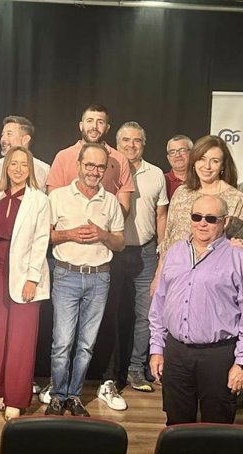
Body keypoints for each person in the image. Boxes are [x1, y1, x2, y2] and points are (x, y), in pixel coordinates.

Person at [149, 195, 243, 425]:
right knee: (176, 424)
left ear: (224, 221)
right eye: (197, 216)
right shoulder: (174, 253)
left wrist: (242, 364)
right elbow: (159, 304)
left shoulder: (239, 258)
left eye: (211, 218)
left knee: (217, 426)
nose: (202, 223)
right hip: (176, 352)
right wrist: (156, 348)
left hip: (219, 356)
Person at [0, 115, 49, 395]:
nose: (17, 169)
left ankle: (17, 396)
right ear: (6, 167)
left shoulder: (39, 200)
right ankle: (3, 391)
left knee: (21, 337)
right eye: (13, 164)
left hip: (24, 272)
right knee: (0, 333)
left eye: (23, 164)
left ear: (30, 168)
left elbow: (41, 241)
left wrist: (32, 279)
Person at [45, 143, 125, 417]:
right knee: (62, 342)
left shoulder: (111, 201)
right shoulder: (57, 197)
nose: (94, 171)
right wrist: (69, 234)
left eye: (100, 166)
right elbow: (46, 235)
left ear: (106, 169)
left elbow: (120, 243)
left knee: (86, 343)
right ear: (78, 164)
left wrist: (103, 235)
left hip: (99, 277)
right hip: (66, 274)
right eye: (89, 165)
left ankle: (74, 395)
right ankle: (57, 395)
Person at [97, 122, 168, 411]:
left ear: (144, 143)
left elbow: (161, 214)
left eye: (137, 140)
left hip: (145, 251)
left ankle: (136, 369)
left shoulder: (156, 175)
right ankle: (109, 375)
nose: (131, 145)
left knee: (145, 315)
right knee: (110, 313)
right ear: (117, 143)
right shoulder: (107, 169)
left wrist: (162, 250)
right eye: (125, 140)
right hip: (112, 251)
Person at [153, 135, 243, 293]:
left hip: (210, 285)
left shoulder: (235, 198)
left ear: (223, 166)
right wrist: (158, 276)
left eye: (215, 161)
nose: (207, 166)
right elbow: (169, 239)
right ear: (194, 161)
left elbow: (237, 248)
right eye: (202, 159)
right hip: (173, 278)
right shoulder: (181, 192)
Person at [46, 104, 134, 217]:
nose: (94, 126)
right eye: (90, 121)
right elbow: (53, 200)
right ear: (81, 126)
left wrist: (106, 227)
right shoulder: (63, 156)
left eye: (100, 122)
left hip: (104, 231)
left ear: (107, 128)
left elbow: (124, 204)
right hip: (68, 229)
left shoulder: (119, 159)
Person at [0, 115, 50, 192]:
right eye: (2, 135)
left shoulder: (44, 169)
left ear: (25, 139)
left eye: (9, 134)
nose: (3, 139)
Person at [163, 135, 192, 200]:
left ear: (192, 153)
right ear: (168, 157)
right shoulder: (162, 181)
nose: (178, 155)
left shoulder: (202, 179)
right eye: (172, 152)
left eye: (182, 150)